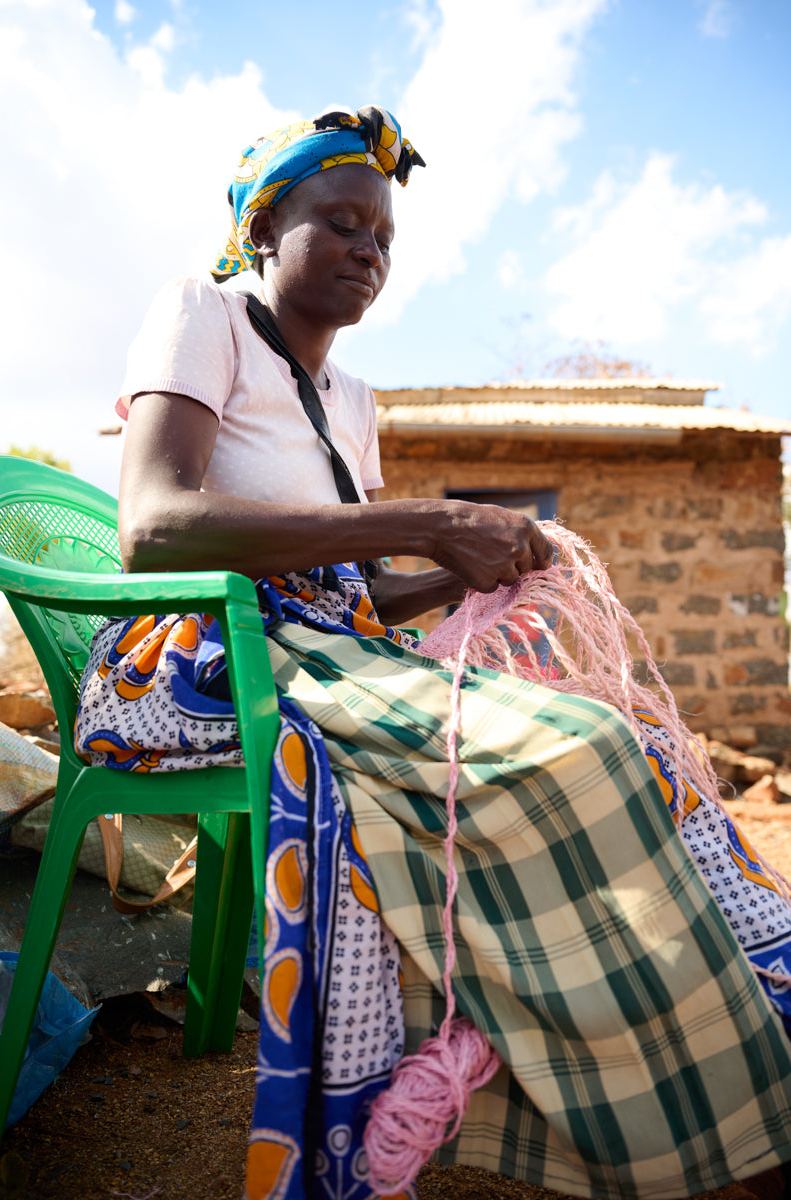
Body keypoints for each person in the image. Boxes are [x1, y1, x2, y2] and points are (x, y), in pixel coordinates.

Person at [75, 107, 791, 1200]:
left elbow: (364, 598)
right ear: (265, 229)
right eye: (343, 222)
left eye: (385, 239)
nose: (369, 251)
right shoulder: (201, 315)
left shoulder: (353, 401)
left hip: (332, 646)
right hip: (205, 652)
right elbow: (155, 527)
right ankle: (624, 1092)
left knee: (636, 747)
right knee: (575, 748)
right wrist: (423, 518)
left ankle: (709, 1063)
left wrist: (466, 567)